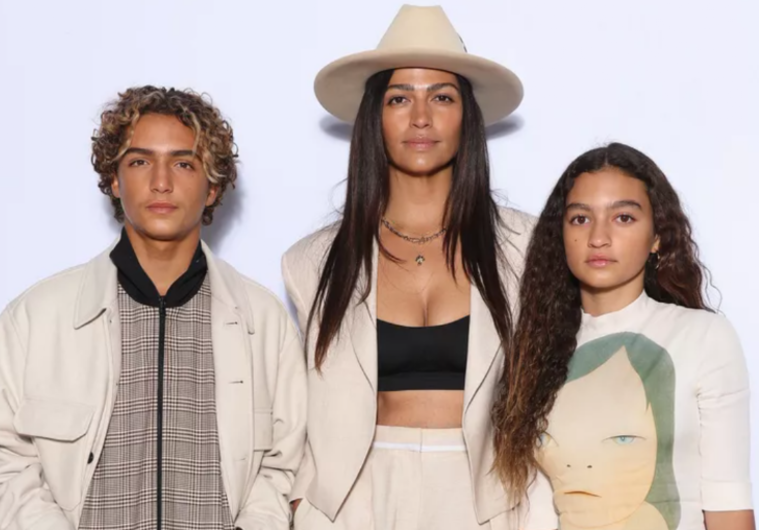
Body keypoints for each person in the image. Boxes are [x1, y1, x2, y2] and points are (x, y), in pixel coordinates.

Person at [0, 86, 306, 530]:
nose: (161, 182)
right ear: (114, 179)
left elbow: (284, 460)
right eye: (140, 162)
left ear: (213, 186)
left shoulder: (265, 322)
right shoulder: (36, 317)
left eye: (184, 163)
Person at [282, 5, 555, 530]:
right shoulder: (312, 261)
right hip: (355, 502)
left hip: (487, 500)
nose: (421, 117)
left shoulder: (527, 248)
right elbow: (296, 407)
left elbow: (553, 390)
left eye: (442, 97)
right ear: (375, 117)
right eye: (400, 98)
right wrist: (303, 504)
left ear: (467, 116)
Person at [493, 142, 754, 530]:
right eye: (580, 218)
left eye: (624, 218)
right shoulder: (532, 352)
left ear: (657, 236)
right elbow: (535, 511)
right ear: (560, 235)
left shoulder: (703, 337)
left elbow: (729, 504)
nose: (598, 237)